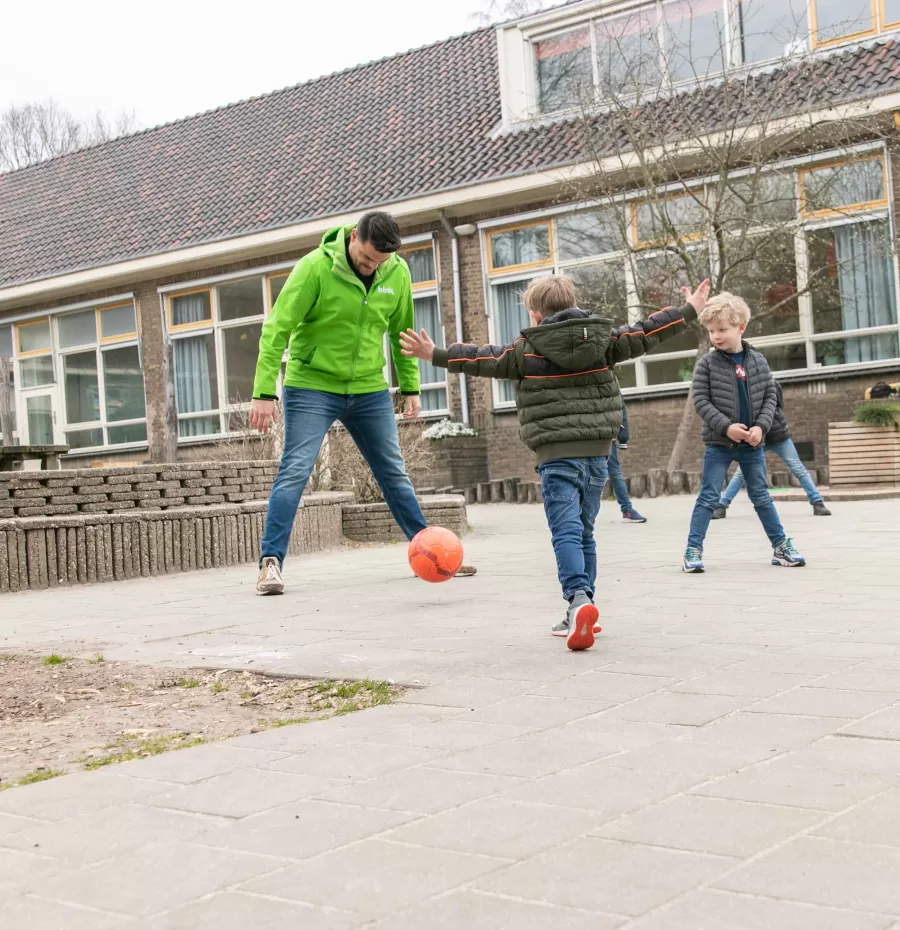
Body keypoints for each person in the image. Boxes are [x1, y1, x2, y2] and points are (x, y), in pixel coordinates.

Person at [400, 274, 708, 650]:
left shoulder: (525, 350)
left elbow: (482, 358)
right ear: (573, 302)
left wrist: (436, 354)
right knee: (584, 532)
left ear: (535, 313)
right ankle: (584, 604)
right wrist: (689, 310)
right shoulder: (604, 339)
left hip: (556, 454)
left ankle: (577, 598)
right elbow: (646, 332)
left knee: (565, 532)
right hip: (598, 453)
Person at [249, 211, 474, 595]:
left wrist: (411, 387)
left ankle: (431, 551)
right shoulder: (314, 269)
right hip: (312, 386)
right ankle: (271, 563)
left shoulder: (396, 272)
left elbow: (402, 331)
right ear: (354, 237)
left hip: (369, 387)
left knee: (392, 471)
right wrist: (263, 392)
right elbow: (277, 329)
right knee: (296, 470)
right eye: (367, 258)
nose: (372, 266)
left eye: (380, 262)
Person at [682, 293, 805, 574]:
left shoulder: (759, 362)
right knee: (708, 497)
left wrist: (760, 428)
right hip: (719, 444)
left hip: (752, 445)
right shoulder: (706, 365)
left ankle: (780, 546)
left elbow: (770, 399)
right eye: (711, 331)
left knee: (761, 496)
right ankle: (693, 549)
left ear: (741, 327)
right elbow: (701, 401)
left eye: (722, 330)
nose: (716, 336)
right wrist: (727, 427)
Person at [712, 379, 831, 519]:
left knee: (797, 468)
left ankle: (817, 503)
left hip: (777, 435)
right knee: (741, 473)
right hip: (755, 439)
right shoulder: (740, 388)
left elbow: (777, 407)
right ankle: (722, 505)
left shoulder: (771, 383)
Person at [606, 399, 647, 523]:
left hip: (606, 435)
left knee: (615, 473)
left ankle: (627, 509)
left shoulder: (610, 381)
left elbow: (620, 408)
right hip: (583, 436)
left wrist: (623, 437)